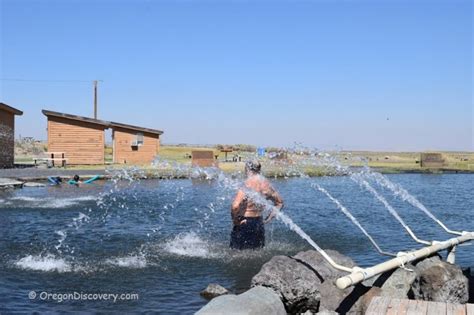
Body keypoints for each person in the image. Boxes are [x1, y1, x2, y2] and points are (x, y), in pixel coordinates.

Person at [230, 160, 284, 250]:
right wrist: (268, 218)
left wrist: (235, 221)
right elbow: (280, 203)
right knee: (257, 251)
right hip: (259, 222)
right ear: (259, 170)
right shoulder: (266, 185)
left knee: (237, 253)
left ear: (247, 169)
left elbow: (235, 206)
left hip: (244, 222)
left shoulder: (246, 184)